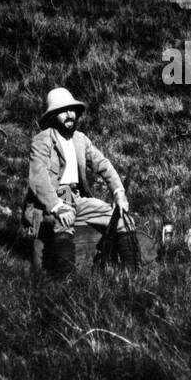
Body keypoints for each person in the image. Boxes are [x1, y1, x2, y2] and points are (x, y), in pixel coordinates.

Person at [23, 87, 134, 279]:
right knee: (63, 219)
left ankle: (132, 273)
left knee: (120, 216)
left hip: (76, 196)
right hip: (53, 198)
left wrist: (119, 192)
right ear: (52, 115)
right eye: (63, 111)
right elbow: (38, 178)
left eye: (72, 110)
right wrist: (57, 206)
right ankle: (65, 280)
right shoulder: (42, 140)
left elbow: (103, 165)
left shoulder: (80, 139)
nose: (69, 115)